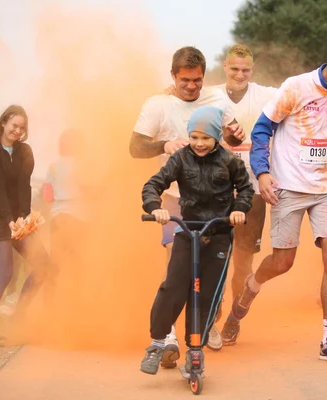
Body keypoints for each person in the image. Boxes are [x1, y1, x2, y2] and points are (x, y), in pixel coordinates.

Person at [220, 44, 327, 363]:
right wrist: (262, 174)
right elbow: (263, 130)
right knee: (283, 262)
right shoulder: (296, 88)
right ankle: (249, 290)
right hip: (288, 187)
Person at [129, 46, 245, 367]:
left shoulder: (218, 101)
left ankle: (205, 327)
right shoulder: (158, 105)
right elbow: (135, 146)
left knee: (211, 267)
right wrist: (164, 144)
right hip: (176, 200)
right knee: (177, 266)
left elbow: (232, 141)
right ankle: (167, 338)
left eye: (196, 80)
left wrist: (236, 135)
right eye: (185, 80)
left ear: (203, 77)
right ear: (173, 76)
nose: (191, 86)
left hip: (216, 201)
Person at [139, 106, 254, 375]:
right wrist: (154, 206)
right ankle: (157, 343)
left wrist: (239, 209)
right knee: (174, 287)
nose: (199, 144)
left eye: (205, 138)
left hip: (219, 233)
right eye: (194, 137)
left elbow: (246, 189)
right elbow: (153, 184)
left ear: (216, 137)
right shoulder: (179, 159)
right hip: (187, 230)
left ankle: (195, 349)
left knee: (208, 294)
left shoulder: (230, 161)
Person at [211, 44, 277, 349]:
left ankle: (233, 319)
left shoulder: (266, 95)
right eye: (235, 68)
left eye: (246, 70)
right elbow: (178, 98)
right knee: (215, 255)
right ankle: (213, 315)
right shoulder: (210, 95)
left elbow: (301, 98)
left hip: (252, 189)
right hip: (214, 188)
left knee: (243, 260)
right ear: (225, 66)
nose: (240, 75)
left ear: (252, 70)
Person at [0, 105, 51, 337]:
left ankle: (19, 317)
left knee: (43, 264)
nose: (17, 131)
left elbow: (23, 186)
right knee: (5, 274)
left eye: (22, 128)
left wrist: (24, 217)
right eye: (14, 125)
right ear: (3, 123)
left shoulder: (24, 151)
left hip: (17, 219)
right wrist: (9, 220)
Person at [43, 129, 89, 306]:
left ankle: (49, 304)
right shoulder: (83, 165)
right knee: (80, 264)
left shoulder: (53, 166)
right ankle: (77, 304)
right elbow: (89, 191)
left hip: (58, 217)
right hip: (79, 218)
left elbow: (48, 195)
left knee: (55, 265)